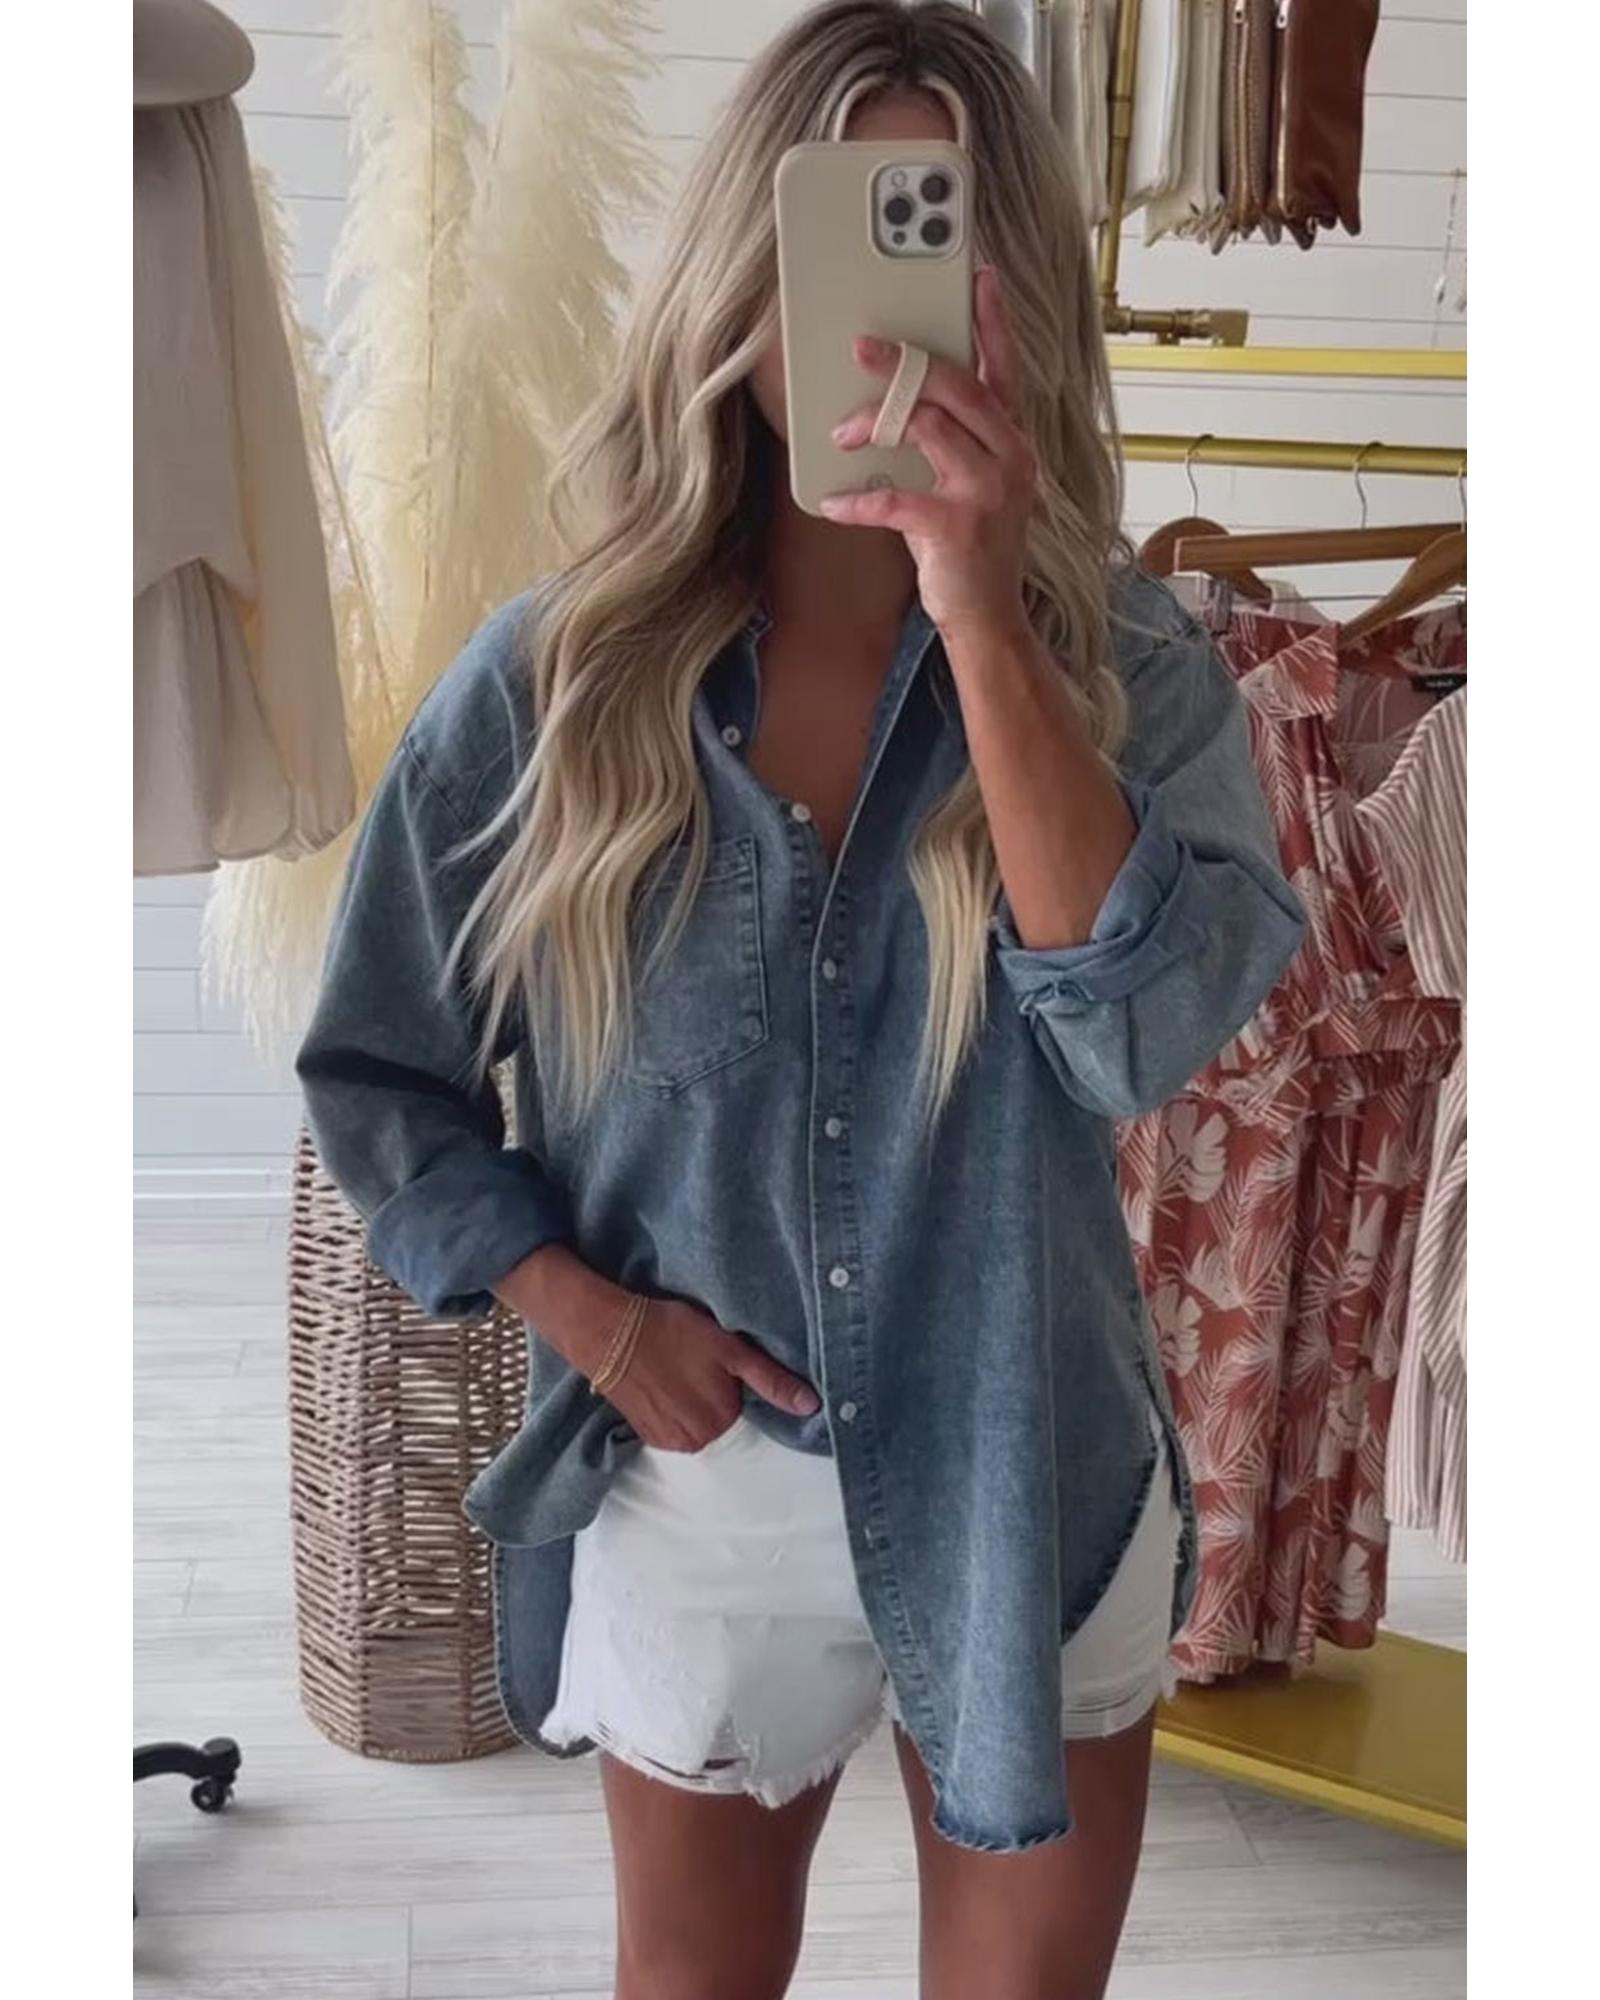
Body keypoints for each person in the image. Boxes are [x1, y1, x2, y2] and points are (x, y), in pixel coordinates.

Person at [295, 4, 1306, 1995]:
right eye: (841, 231)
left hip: (1032, 1472)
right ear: (738, 276)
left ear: (1016, 291)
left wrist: (976, 607)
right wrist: (584, 1312)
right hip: (700, 1495)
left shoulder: (1132, 670)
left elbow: (1137, 1039)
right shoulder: (560, 688)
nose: (874, 311)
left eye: (935, 235)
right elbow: (377, 1068)